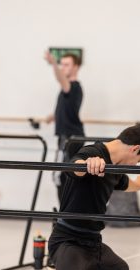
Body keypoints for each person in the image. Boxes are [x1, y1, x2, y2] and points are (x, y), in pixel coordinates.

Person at [48, 123, 140, 270]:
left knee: (120, 268)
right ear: (135, 148)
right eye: (139, 160)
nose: (135, 165)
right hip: (68, 240)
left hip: (93, 243)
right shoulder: (93, 151)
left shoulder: (116, 167)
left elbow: (125, 184)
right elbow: (72, 166)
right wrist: (86, 165)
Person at [44, 52, 85, 202]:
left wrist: (54, 63)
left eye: (66, 64)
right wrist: (52, 117)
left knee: (60, 176)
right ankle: (65, 214)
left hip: (70, 138)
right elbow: (66, 109)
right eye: (62, 64)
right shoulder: (67, 90)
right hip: (69, 137)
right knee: (65, 176)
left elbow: (61, 79)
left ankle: (64, 215)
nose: (63, 68)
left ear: (76, 67)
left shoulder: (73, 87)